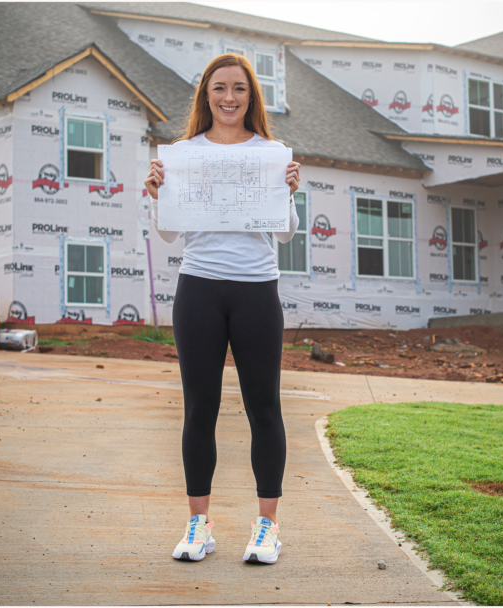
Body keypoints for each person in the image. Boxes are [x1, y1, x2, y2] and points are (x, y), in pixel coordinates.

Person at [144, 53, 301, 564]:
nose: (229, 97)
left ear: (251, 96)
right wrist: (156, 195)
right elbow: (170, 232)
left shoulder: (272, 153)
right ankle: (199, 525)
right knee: (199, 408)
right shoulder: (183, 154)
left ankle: (267, 528)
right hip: (199, 289)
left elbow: (284, 231)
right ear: (205, 96)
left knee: (264, 408)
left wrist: (290, 192)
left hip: (256, 289)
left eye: (239, 88)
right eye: (219, 88)